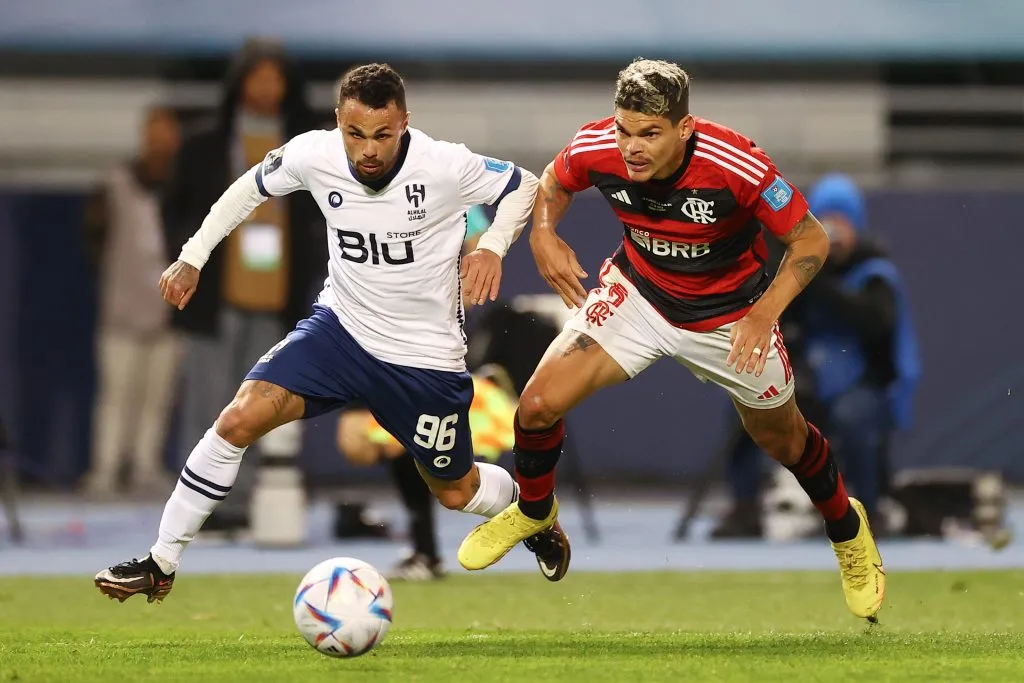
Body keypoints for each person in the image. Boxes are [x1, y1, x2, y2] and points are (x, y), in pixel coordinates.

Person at [93, 62, 570, 603]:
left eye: (383, 135)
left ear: (405, 123)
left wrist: (489, 246)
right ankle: (161, 562)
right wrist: (193, 257)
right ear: (338, 122)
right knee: (239, 417)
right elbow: (247, 189)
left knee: (456, 491)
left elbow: (523, 183)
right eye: (355, 134)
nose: (368, 149)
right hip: (340, 330)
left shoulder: (443, 165)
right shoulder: (313, 154)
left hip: (423, 357)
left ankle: (536, 511)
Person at [458, 58, 886, 621]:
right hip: (638, 297)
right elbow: (556, 180)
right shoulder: (597, 146)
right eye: (625, 130)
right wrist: (542, 233)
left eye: (650, 134)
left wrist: (763, 315)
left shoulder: (736, 164)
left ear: (684, 130)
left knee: (783, 441)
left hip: (732, 317)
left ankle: (846, 527)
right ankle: (536, 511)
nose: (632, 147)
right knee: (536, 406)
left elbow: (810, 240)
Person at [161, 38, 326, 533]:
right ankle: (197, 508)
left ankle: (243, 504)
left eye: (276, 78)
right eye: (258, 76)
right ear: (240, 82)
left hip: (278, 293)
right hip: (216, 296)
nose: (267, 87)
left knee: (261, 406)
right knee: (207, 401)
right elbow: (174, 211)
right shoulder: (203, 144)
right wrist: (191, 259)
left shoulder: (308, 145)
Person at [81, 106, 183, 497]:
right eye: (154, 132)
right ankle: (105, 469)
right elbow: (92, 237)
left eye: (167, 133)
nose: (160, 141)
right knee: (115, 395)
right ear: (144, 136)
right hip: (121, 311)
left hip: (170, 311)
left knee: (157, 398)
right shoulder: (115, 183)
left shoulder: (184, 185)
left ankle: (144, 467)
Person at [337, 368, 517, 580]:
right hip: (393, 375)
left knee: (439, 475)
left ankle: (427, 553)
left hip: (417, 376)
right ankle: (425, 553)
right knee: (401, 453)